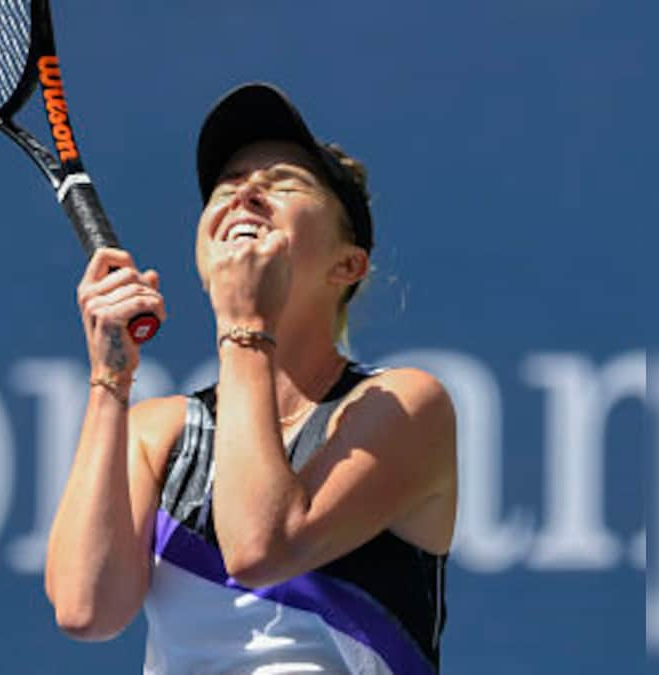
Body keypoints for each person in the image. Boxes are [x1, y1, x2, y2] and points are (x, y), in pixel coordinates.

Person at [44, 82, 458, 675]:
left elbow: (259, 548)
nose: (247, 193)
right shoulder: (156, 433)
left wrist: (245, 324)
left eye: (285, 183)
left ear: (348, 265)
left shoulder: (404, 406)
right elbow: (87, 609)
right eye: (229, 183)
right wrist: (109, 377)